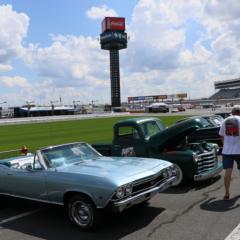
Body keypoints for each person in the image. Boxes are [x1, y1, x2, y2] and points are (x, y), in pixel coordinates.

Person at [219, 105, 240, 200]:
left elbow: (221, 136)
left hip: (227, 151)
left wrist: (225, 146)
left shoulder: (225, 120)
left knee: (228, 171)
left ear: (232, 112)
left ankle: (227, 193)